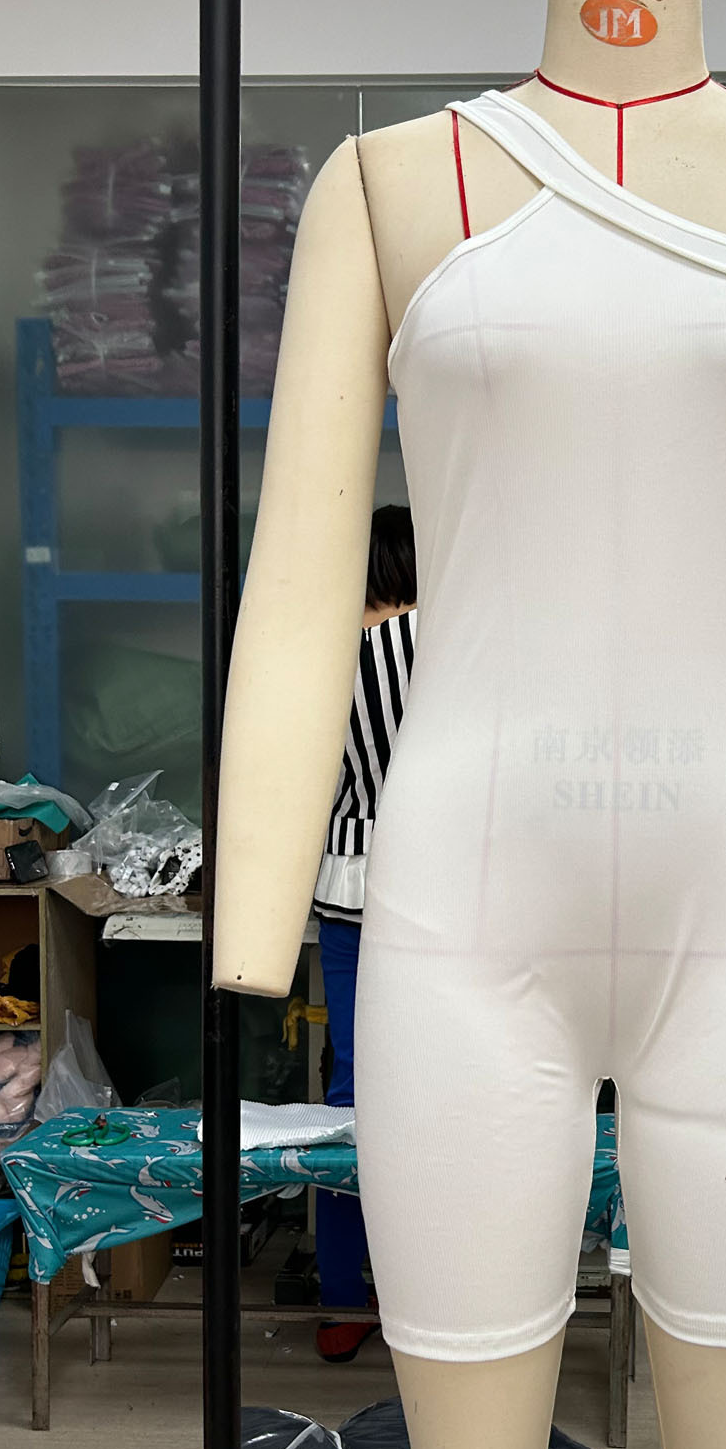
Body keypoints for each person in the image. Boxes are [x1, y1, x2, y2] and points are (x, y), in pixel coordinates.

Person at [310, 503, 417, 1362]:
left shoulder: (323, 651)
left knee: (352, 1097)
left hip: (348, 884)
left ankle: (343, 1301)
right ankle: (442, 1294)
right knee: (457, 1093)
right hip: (449, 887)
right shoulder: (454, 641)